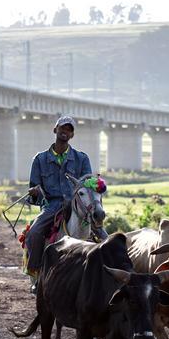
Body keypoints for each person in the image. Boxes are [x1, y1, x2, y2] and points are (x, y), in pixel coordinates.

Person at [24, 115, 107, 276]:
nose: (65, 132)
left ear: (72, 135)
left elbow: (87, 185)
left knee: (104, 235)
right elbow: (34, 191)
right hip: (51, 206)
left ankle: (108, 271)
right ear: (55, 130)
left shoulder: (81, 158)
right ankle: (36, 272)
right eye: (63, 128)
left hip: (77, 203)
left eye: (69, 130)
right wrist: (35, 193)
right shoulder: (40, 160)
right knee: (34, 232)